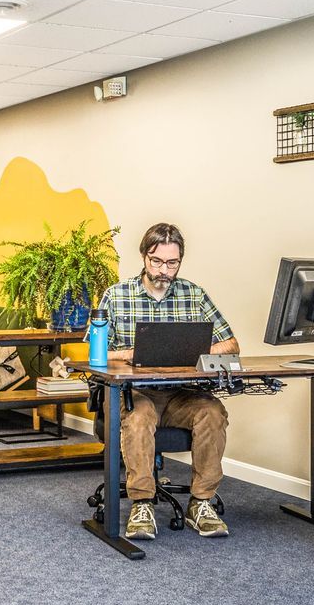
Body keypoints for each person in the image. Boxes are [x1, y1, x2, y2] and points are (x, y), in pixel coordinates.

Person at [97, 224, 238, 540]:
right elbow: (98, 355)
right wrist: (136, 354)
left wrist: (190, 350)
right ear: (144, 257)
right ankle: (142, 502)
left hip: (177, 395)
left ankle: (201, 503)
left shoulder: (193, 294)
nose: (164, 270)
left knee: (212, 412)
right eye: (156, 261)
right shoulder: (116, 296)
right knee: (140, 414)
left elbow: (230, 344)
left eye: (172, 263)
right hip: (130, 392)